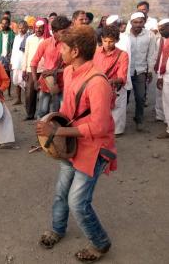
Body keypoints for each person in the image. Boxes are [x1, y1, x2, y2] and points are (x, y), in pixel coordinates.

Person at [36, 25, 116, 263]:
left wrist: (58, 131)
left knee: (77, 202)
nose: (60, 51)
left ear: (76, 50)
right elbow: (69, 109)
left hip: (94, 149)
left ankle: (100, 243)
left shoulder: (98, 82)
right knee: (61, 193)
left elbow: (100, 127)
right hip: (72, 143)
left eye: (63, 47)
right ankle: (58, 229)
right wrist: (51, 124)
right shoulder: (71, 71)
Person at [31, 15, 72, 118]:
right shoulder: (45, 44)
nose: (67, 34)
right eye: (63, 32)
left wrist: (54, 71)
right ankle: (41, 134)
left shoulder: (70, 45)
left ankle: (57, 133)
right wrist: (35, 81)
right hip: (46, 84)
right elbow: (33, 62)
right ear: (54, 32)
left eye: (68, 31)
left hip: (63, 85)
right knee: (42, 112)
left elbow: (73, 67)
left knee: (59, 113)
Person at [93, 25, 129, 136]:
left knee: (116, 114)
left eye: (111, 41)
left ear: (117, 40)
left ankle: (116, 134)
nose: (108, 44)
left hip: (115, 89)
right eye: (105, 41)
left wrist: (113, 81)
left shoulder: (123, 55)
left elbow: (122, 76)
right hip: (98, 87)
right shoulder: (96, 52)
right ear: (101, 39)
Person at [128, 12, 157, 131]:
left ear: (144, 22)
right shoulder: (124, 35)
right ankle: (117, 121)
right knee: (123, 99)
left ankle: (139, 119)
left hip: (140, 71)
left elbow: (151, 54)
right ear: (131, 23)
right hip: (126, 72)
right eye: (135, 22)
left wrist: (149, 70)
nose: (138, 25)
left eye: (141, 22)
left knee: (140, 98)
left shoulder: (150, 35)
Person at [21, 19, 50, 120]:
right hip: (31, 69)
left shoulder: (47, 39)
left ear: (44, 28)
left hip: (44, 70)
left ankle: (43, 116)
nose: (38, 30)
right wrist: (24, 69)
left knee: (44, 94)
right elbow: (26, 54)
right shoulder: (29, 38)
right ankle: (29, 114)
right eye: (37, 28)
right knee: (29, 93)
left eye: (41, 28)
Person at [0, 17, 15, 96]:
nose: (3, 25)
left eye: (5, 23)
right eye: (2, 23)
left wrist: (12, 59)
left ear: (9, 24)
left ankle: (9, 93)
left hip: (8, 57)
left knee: (7, 75)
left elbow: (14, 47)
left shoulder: (12, 34)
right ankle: (1, 92)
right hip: (0, 56)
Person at [10, 20, 29, 105]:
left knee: (24, 83)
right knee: (16, 81)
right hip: (16, 63)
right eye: (20, 28)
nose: (21, 30)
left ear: (27, 28)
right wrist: (11, 62)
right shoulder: (16, 37)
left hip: (24, 64)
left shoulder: (28, 37)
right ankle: (18, 99)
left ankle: (27, 101)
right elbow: (13, 50)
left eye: (23, 28)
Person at [156, 19, 169, 138]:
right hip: (166, 76)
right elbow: (161, 59)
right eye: (159, 29)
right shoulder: (164, 41)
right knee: (166, 102)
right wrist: (160, 76)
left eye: (163, 29)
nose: (160, 31)